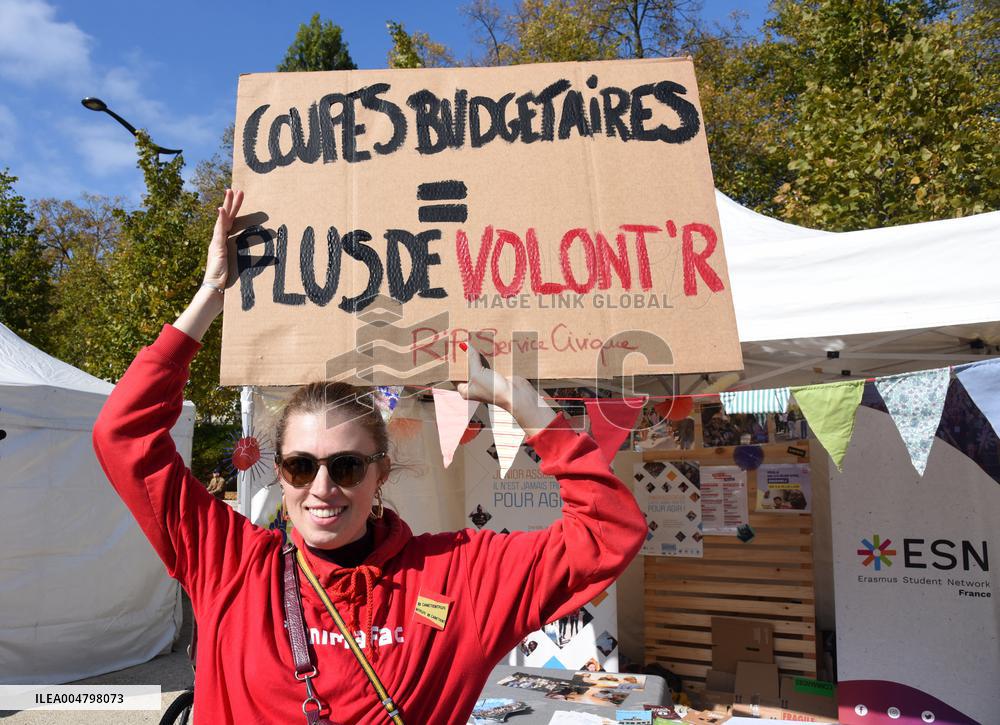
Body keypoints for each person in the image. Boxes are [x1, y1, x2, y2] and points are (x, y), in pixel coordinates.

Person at [92, 190, 647, 724]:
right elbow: (123, 434)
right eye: (301, 466)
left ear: (381, 472)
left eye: (347, 466)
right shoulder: (231, 563)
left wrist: (519, 401)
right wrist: (212, 292)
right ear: (281, 472)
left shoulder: (457, 574)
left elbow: (609, 535)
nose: (322, 487)